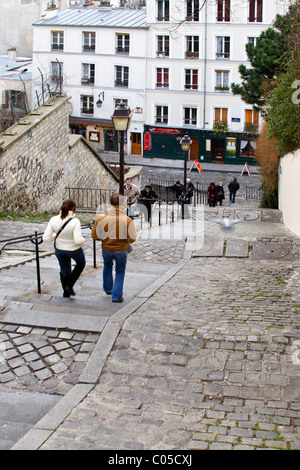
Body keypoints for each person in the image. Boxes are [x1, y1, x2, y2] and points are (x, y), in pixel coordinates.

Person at [91, 193, 137, 303]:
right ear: (123, 204)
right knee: (120, 272)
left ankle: (108, 289)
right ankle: (116, 296)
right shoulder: (127, 220)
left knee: (107, 266)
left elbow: (94, 236)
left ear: (110, 204)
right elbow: (132, 238)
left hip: (106, 248)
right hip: (121, 249)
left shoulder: (100, 218)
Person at [43, 199, 86, 298]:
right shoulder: (75, 221)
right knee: (81, 263)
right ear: (73, 209)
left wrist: (56, 236)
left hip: (59, 249)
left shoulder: (53, 219)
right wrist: (83, 240)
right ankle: (69, 285)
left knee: (64, 268)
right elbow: (78, 241)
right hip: (74, 250)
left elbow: (46, 238)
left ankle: (65, 291)